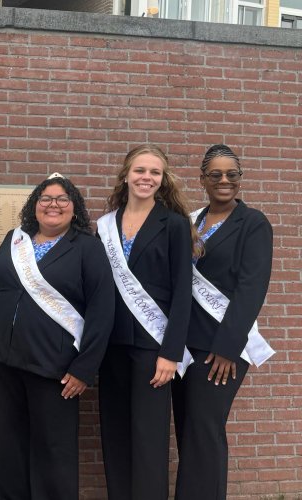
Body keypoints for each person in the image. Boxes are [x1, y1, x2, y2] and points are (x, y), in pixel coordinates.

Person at [0, 173, 115, 499]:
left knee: (53, 450)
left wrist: (85, 368)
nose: (53, 205)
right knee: (9, 445)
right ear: (35, 206)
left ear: (74, 208)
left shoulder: (86, 247)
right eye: (45, 199)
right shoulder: (15, 239)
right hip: (6, 361)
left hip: (56, 367)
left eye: (61, 200)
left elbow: (102, 310)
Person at [171, 145, 274, 500]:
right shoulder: (192, 221)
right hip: (186, 345)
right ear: (202, 180)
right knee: (189, 429)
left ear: (240, 179)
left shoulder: (254, 223)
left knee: (204, 428)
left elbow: (252, 288)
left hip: (221, 348)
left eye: (231, 174)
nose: (224, 180)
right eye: (215, 174)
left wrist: (228, 348)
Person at [96, 144, 198, 500]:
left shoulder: (172, 224)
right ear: (126, 174)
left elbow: (182, 293)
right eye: (140, 170)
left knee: (149, 440)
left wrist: (171, 353)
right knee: (115, 436)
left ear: (162, 179)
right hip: (110, 347)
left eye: (154, 172)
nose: (146, 178)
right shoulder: (106, 226)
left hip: (152, 348)